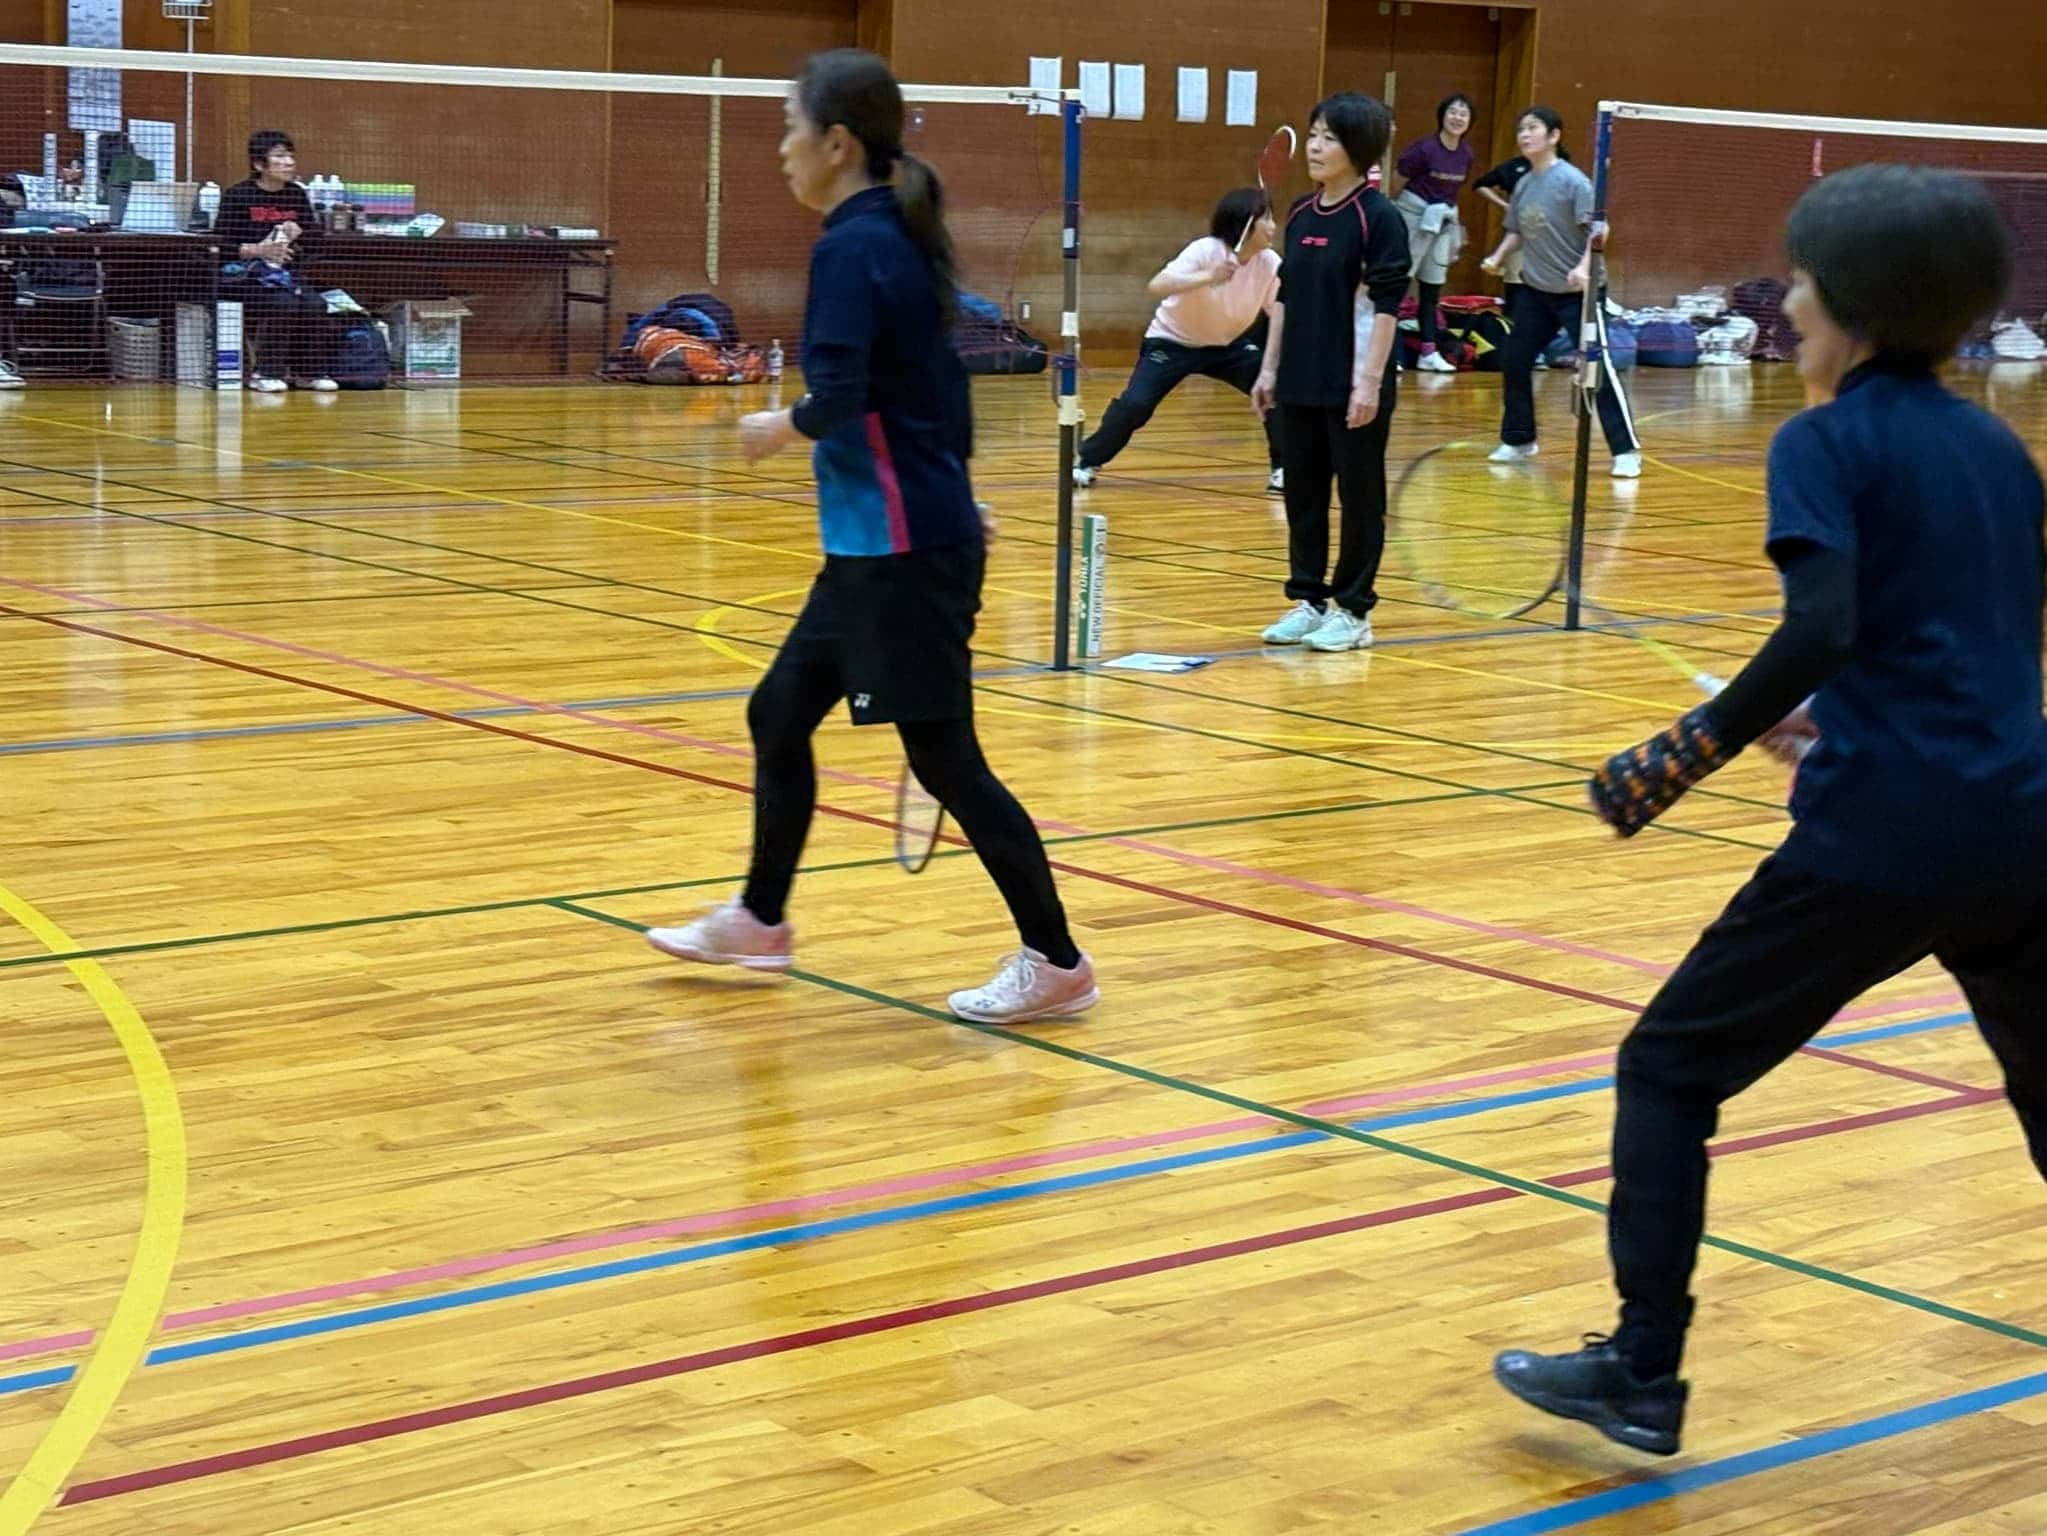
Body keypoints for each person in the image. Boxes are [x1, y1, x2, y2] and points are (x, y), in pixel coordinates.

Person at [1492, 164, 2047, 1458]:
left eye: (1801, 284)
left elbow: (1824, 621)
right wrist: (1843, 717)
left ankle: (1641, 1371)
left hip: (1882, 842)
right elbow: (1970, 637)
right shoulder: (1995, 448)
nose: (1786, 308)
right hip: (2020, 829)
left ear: (1852, 305)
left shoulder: (1822, 442)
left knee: (1667, 1068)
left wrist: (1686, 749)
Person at [644, 48, 1099, 1026]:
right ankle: (760, 919)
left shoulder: (856, 248)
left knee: (947, 760)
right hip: (880, 544)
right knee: (777, 713)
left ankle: (1057, 960)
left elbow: (846, 394)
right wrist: (954, 495)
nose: (781, 150)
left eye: (790, 129)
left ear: (837, 143)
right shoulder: (895, 233)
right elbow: (937, 389)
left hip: (900, 553)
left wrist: (779, 425)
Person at [1251, 91, 1410, 654]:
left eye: (1329, 138)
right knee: (1303, 495)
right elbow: (1285, 296)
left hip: (1353, 382)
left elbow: (1387, 307)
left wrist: (1369, 383)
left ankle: (1353, 611)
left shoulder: (1378, 217)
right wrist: (1269, 368)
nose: (1315, 147)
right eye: (1313, 135)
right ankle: (1309, 600)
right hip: (1300, 377)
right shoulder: (1301, 212)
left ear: (1358, 147)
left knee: (1360, 500)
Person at [1073, 187, 1285, 494]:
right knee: (1136, 404)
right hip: (1172, 341)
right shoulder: (1205, 250)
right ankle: (1087, 461)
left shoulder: (1269, 262)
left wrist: (1270, 367)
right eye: (1266, 218)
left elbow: (1278, 311)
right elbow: (1157, 285)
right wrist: (1208, 277)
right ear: (1244, 223)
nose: (1273, 226)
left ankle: (1282, 469)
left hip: (1229, 345)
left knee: (1275, 392)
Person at [1480, 107, 1641, 477]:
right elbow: (1517, 229)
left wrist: (1584, 267)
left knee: (1597, 368)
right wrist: (1498, 257)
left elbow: (1599, 230)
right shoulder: (1523, 184)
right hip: (1536, 290)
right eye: (1521, 128)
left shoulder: (1573, 182)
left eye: (1533, 128)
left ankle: (1626, 450)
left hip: (1578, 294)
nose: (1524, 134)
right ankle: (1519, 439)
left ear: (1553, 136)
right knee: (1514, 358)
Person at [216, 130, 338, 394]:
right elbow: (222, 246)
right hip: (243, 277)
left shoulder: (295, 195)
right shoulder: (238, 195)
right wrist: (260, 250)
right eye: (280, 157)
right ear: (259, 164)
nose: (289, 162)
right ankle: (266, 373)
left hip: (286, 276)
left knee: (315, 303)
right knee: (283, 302)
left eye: (291, 156)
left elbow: (315, 241)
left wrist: (300, 233)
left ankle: (307, 373)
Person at [1392, 93, 1477, 374]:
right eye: (1453, 111)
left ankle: (1428, 353)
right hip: (1414, 216)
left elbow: (1453, 191)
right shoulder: (1424, 149)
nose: (1457, 117)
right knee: (1399, 284)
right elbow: (1398, 178)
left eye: (1463, 113)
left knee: (1431, 289)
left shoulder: (1466, 154)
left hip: (1442, 222)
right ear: (1442, 115)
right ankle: (1391, 354)